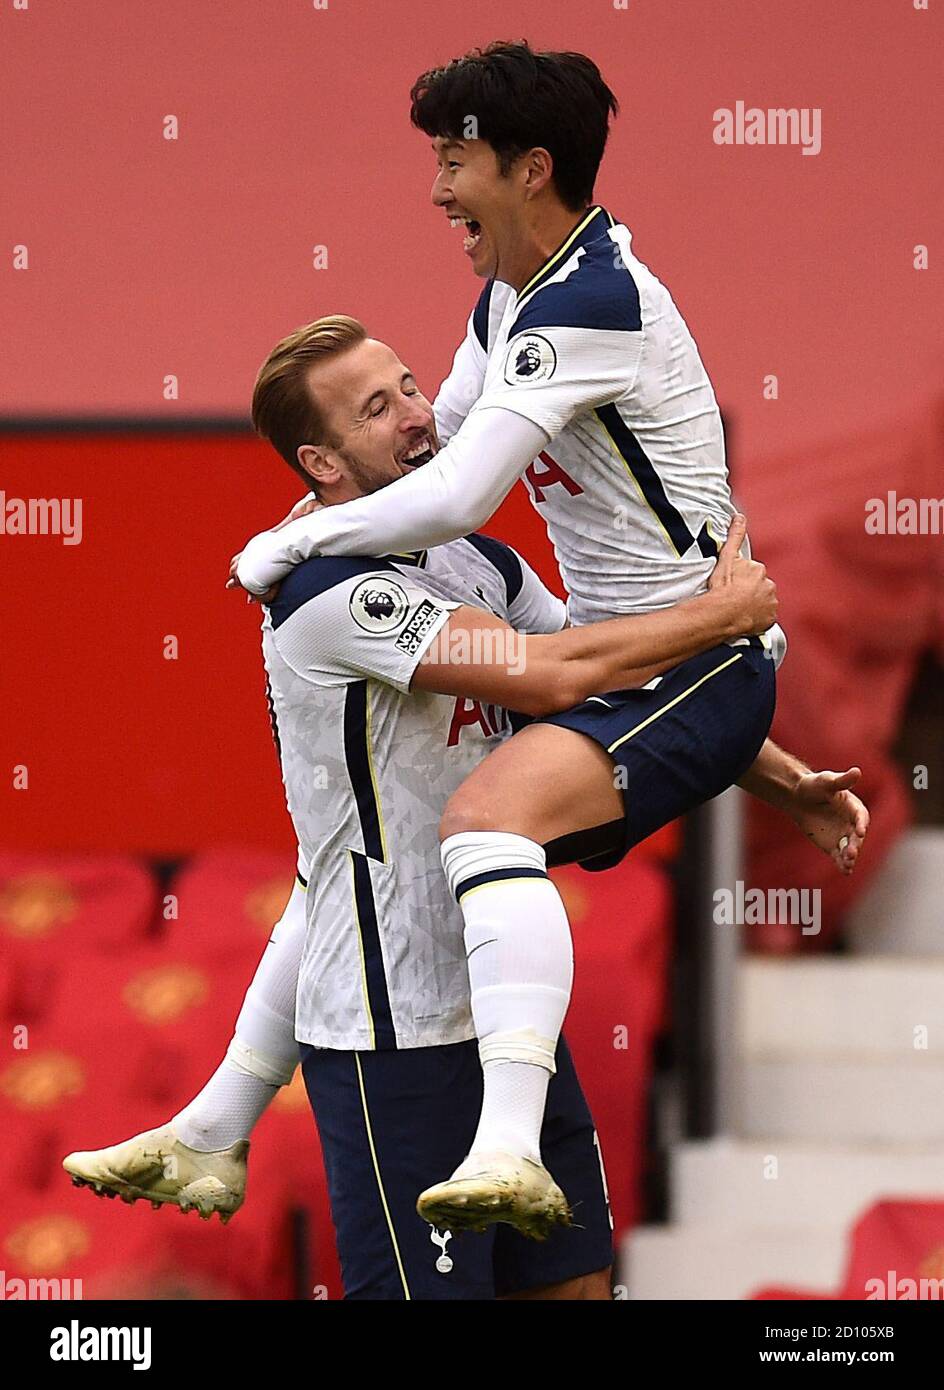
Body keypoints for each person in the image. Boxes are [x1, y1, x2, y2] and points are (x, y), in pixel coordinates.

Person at [230, 44, 869, 1235]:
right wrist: (773, 772)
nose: (435, 189)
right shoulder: (514, 296)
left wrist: (281, 551)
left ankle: (508, 1146)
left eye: (453, 159)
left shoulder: (588, 302)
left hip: (692, 662)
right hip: (649, 666)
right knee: (373, 854)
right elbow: (433, 454)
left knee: (475, 820)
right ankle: (219, 1124)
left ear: (530, 170)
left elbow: (459, 492)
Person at [63, 317, 778, 1299]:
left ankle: (216, 1118)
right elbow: (539, 671)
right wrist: (721, 616)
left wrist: (776, 773)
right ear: (318, 462)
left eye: (406, 385)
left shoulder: (475, 562)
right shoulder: (327, 593)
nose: (415, 417)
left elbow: (607, 686)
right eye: (375, 408)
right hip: (388, 1040)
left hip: (497, 1009)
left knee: (578, 1283)